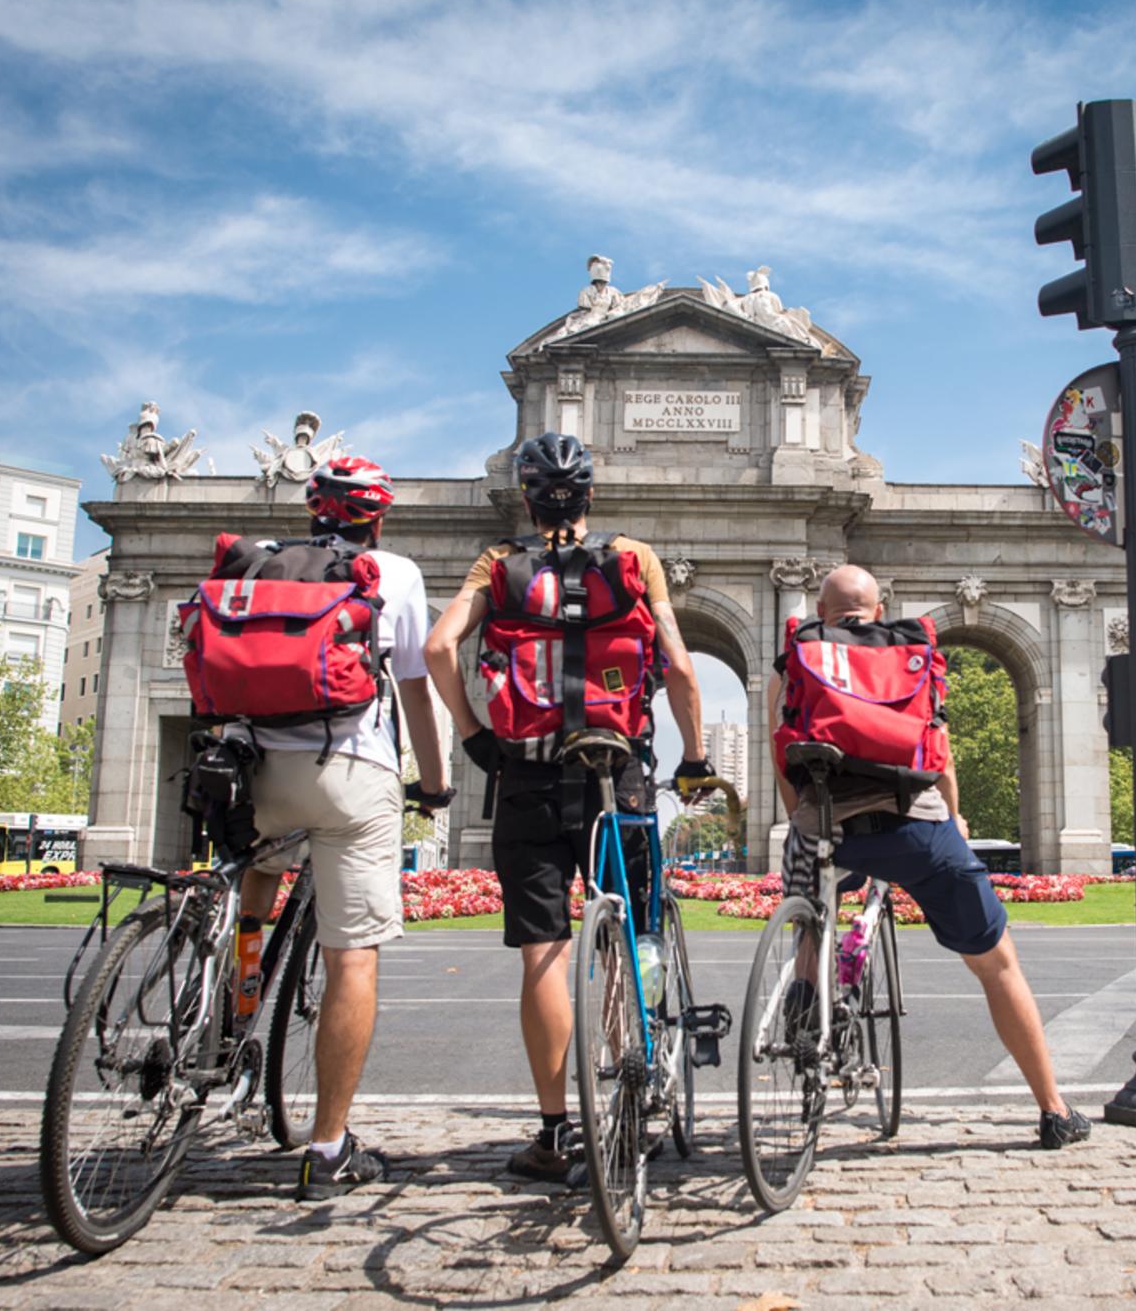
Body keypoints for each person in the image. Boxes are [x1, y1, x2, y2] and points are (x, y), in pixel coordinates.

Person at [424, 431, 713, 1181]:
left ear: (526, 496)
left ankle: (554, 1131)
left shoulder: (498, 563)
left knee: (545, 953)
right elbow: (678, 664)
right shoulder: (634, 557)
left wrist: (474, 737)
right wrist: (696, 755)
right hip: (617, 774)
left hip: (526, 776)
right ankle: (635, 1075)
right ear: (590, 496)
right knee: (632, 933)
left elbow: (436, 649)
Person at [769, 564, 1090, 1149]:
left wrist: (804, 818)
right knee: (998, 963)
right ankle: (1054, 1108)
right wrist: (957, 819)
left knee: (811, 916)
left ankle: (804, 994)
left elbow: (782, 748)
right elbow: (938, 754)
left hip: (824, 829)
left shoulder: (799, 653)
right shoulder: (910, 649)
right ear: (878, 604)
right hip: (915, 825)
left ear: (820, 606)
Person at [234, 456, 450, 1199]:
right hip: (351, 771)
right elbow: (418, 691)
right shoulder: (394, 572)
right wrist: (437, 779)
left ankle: (236, 989)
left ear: (311, 511)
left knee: (261, 858)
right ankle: (327, 1148)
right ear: (378, 518)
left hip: (254, 769)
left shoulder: (261, 562)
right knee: (351, 956)